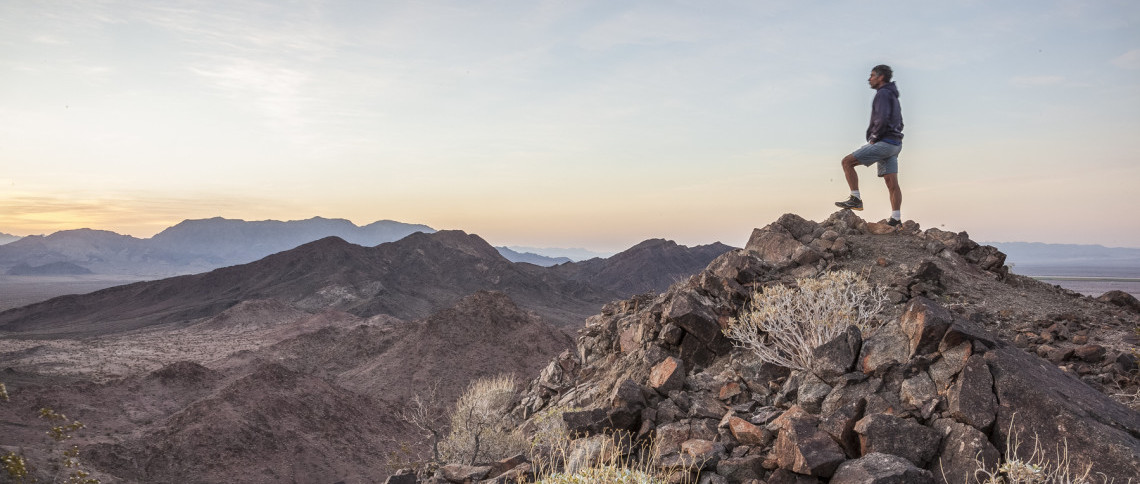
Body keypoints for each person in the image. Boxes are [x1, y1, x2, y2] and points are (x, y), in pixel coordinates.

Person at [835, 64, 904, 227]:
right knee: (891, 182)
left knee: (847, 162)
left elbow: (882, 117)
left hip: (885, 142)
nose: (869, 78)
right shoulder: (893, 95)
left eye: (872, 75)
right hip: (895, 144)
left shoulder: (882, 94)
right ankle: (896, 219)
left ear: (880, 78)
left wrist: (874, 137)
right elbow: (899, 120)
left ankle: (855, 198)